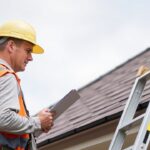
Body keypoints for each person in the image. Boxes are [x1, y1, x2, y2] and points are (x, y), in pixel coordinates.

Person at [0, 20, 54, 150]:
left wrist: (36, 123)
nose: (31, 58)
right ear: (11, 46)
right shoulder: (6, 76)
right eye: (28, 50)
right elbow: (3, 118)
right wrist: (37, 122)